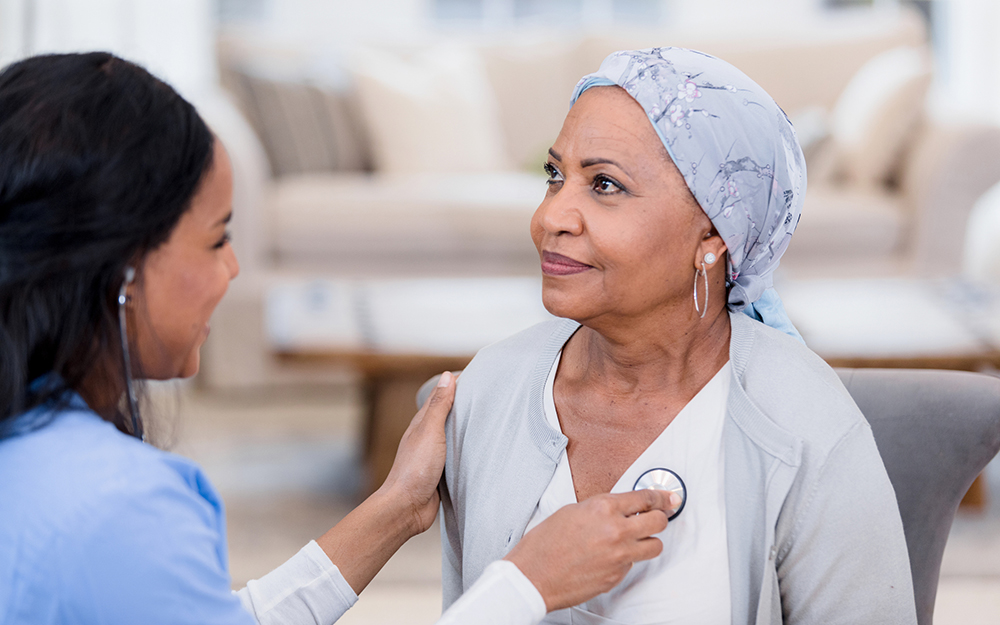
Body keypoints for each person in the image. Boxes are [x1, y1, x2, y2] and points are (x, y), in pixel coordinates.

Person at [0, 52, 680, 625]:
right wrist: (525, 582)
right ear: (125, 265)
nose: (233, 268)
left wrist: (395, 508)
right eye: (216, 239)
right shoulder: (118, 509)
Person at [440, 48, 919, 624]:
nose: (551, 218)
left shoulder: (806, 426)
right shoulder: (491, 391)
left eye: (606, 185)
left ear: (713, 235)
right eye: (555, 176)